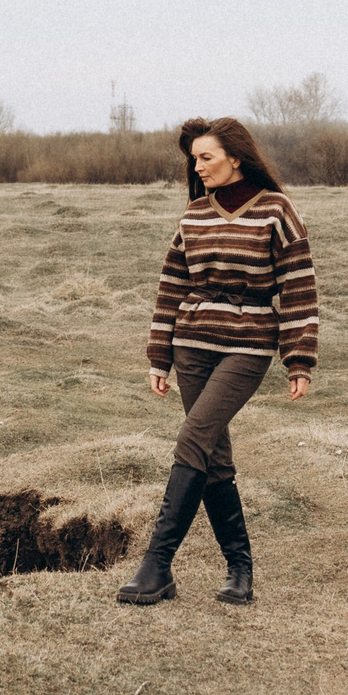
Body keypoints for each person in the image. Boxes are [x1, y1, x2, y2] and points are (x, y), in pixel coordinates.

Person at [117, 117, 318, 606]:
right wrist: (158, 354)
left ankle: (156, 564)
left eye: (206, 157)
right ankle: (240, 569)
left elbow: (298, 286)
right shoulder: (193, 215)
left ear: (235, 157)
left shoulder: (276, 210)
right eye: (194, 159)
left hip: (247, 346)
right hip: (192, 344)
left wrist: (298, 358)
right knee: (212, 454)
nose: (197, 166)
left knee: (192, 436)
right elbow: (171, 287)